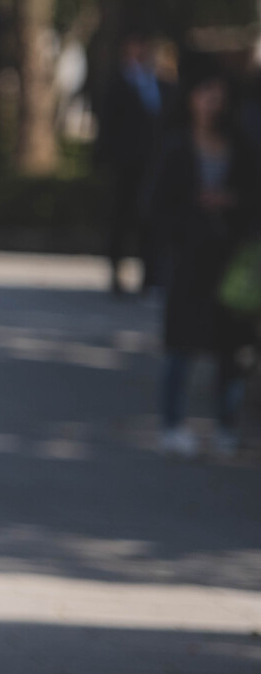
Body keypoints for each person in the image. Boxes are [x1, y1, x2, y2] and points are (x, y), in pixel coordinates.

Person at [147, 69, 259, 459]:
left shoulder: (239, 146)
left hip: (228, 259)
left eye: (219, 92)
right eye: (205, 91)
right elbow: (158, 204)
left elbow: (252, 197)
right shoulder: (177, 145)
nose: (213, 99)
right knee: (180, 344)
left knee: (231, 346)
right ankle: (172, 423)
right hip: (188, 257)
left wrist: (229, 203)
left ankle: (226, 424)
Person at [98, 34, 174, 294]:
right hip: (126, 165)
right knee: (121, 220)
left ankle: (149, 275)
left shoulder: (161, 82)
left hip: (154, 164)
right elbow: (107, 125)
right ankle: (117, 273)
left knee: (150, 220)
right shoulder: (117, 82)